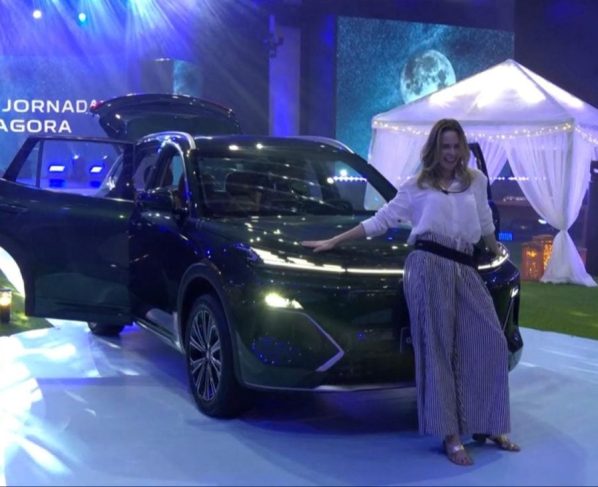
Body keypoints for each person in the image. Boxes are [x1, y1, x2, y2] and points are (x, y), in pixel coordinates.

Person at [302, 119, 519, 466]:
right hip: (427, 265)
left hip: (464, 267)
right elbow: (381, 221)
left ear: (463, 148)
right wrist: (334, 241)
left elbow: (484, 226)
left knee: (489, 342)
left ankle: (487, 423)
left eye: (456, 146)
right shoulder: (416, 186)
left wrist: (498, 253)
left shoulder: (476, 181)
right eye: (444, 146)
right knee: (437, 350)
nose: (451, 153)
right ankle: (450, 436)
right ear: (434, 149)